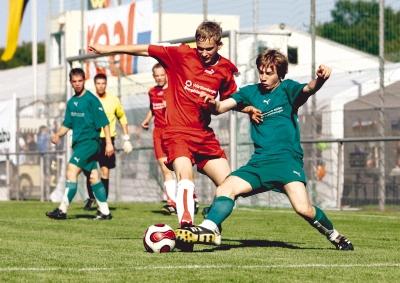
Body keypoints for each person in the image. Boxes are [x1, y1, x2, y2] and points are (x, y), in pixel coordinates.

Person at [175, 49, 354, 251]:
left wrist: (320, 79)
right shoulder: (251, 92)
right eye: (261, 72)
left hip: (287, 163)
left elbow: (309, 89)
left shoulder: (287, 89)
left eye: (269, 73)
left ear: (280, 74)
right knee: (225, 188)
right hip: (259, 163)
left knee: (303, 209)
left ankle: (335, 236)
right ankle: (210, 228)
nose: (263, 77)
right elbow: (221, 107)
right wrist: (212, 103)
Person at [89, 21, 257, 233]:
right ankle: (186, 228)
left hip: (204, 135)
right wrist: (108, 49)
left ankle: (210, 217)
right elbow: (145, 49)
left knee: (230, 186)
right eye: (200, 48)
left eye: (209, 49)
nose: (204, 53)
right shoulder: (181, 54)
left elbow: (228, 102)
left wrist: (248, 109)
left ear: (219, 45)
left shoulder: (224, 69)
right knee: (185, 176)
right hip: (177, 132)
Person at [46, 68, 114, 220]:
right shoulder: (71, 103)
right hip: (78, 145)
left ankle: (62, 210)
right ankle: (105, 212)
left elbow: (105, 122)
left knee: (71, 170)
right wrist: (57, 134)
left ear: (84, 81)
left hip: (89, 143)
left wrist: (109, 143)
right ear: (70, 83)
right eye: (74, 81)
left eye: (80, 81)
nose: (77, 84)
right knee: (94, 177)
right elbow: (67, 124)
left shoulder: (91, 100)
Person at [83, 73, 133, 210]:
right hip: (92, 139)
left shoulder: (113, 100)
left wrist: (126, 138)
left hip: (108, 140)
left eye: (103, 83)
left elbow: (122, 118)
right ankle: (92, 198)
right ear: (95, 85)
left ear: (106, 84)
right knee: (90, 170)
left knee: (105, 171)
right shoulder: (90, 100)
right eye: (98, 83)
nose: (100, 86)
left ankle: (102, 202)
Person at [140, 63, 178, 214]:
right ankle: (172, 202)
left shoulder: (173, 90)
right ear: (153, 76)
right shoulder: (152, 92)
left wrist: (168, 106)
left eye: (162, 75)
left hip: (172, 131)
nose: (160, 78)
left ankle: (189, 197)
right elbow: (152, 108)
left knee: (178, 166)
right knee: (164, 167)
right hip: (158, 133)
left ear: (166, 75)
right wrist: (147, 120)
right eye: (157, 75)